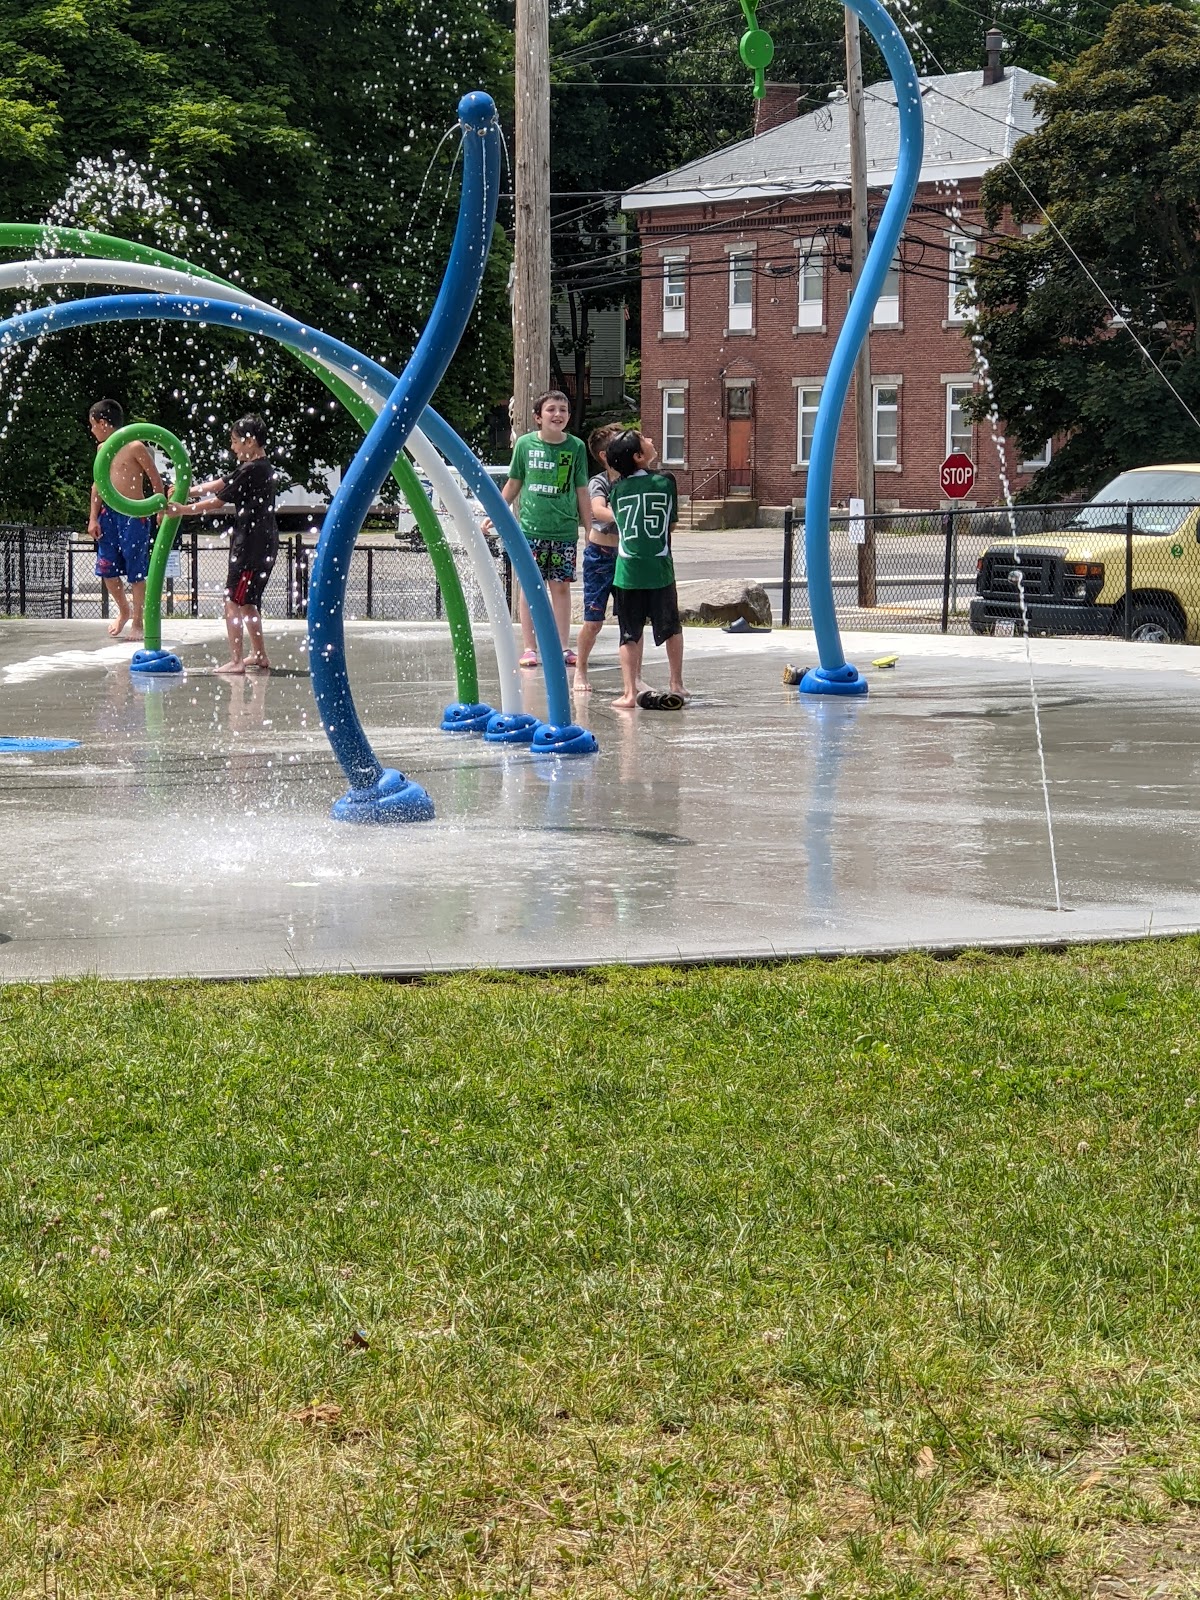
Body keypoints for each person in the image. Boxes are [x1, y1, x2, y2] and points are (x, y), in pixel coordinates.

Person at [168, 415, 279, 674]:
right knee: (249, 601)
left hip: (251, 545)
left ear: (249, 441)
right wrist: (187, 489)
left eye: (234, 442)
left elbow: (217, 501)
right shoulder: (259, 467)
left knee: (232, 599)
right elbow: (220, 484)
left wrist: (183, 509)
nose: (232, 448)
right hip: (262, 541)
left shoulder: (252, 469)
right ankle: (259, 655)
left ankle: (237, 660)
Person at [488, 390, 590, 668]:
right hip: (530, 530)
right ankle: (530, 647)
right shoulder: (525, 445)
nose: (558, 414)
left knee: (561, 589)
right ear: (538, 417)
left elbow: (582, 489)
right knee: (531, 589)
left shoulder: (576, 447)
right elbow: (513, 483)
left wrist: (589, 528)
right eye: (551, 409)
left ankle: (562, 646)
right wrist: (495, 513)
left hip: (564, 530)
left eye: (563, 410)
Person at [606, 429, 688, 711]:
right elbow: (672, 524)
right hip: (660, 569)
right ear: (639, 456)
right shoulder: (665, 481)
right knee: (671, 627)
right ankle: (676, 683)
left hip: (626, 573)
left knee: (629, 633)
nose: (652, 440)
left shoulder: (615, 490)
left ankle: (629, 692)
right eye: (645, 440)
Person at [87, 399, 163, 640]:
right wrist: (92, 518)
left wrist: (160, 508)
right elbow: (97, 485)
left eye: (93, 425)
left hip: (134, 514)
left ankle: (139, 621)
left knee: (136, 571)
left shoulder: (134, 447)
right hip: (108, 515)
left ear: (103, 423)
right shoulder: (102, 450)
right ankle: (124, 611)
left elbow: (155, 480)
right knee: (107, 568)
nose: (91, 431)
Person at [572, 422, 625, 695]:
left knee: (630, 621)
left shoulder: (635, 478)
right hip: (600, 556)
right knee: (593, 621)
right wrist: (628, 515)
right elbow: (598, 510)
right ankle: (580, 668)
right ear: (605, 455)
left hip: (627, 555)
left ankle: (633, 677)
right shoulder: (600, 481)